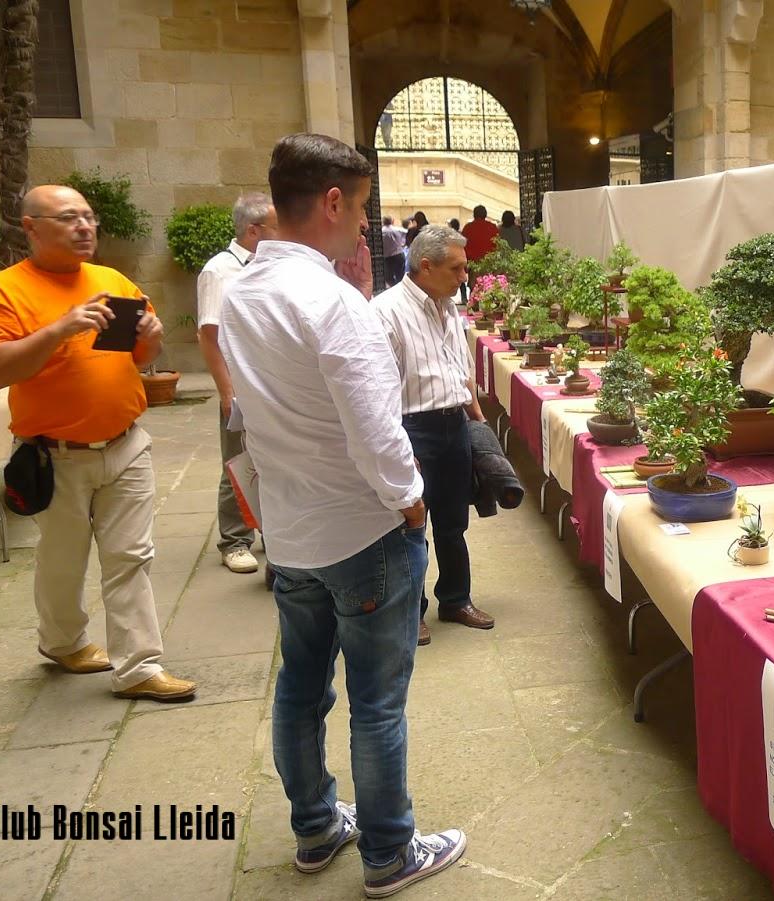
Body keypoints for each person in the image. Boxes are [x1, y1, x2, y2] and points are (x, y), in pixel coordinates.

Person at [220, 133, 466, 897]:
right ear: (331, 202)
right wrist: (411, 501)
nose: (364, 225)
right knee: (377, 701)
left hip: (292, 529)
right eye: (359, 209)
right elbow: (376, 430)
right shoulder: (333, 303)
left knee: (300, 686)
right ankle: (390, 851)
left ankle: (317, 825)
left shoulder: (241, 292)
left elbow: (255, 410)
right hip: (362, 531)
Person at [0, 185, 198, 703]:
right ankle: (63, 642)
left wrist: (151, 339)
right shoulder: (2, 291)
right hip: (53, 455)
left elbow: (137, 358)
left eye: (89, 217)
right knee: (63, 559)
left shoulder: (111, 281)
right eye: (69, 218)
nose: (85, 227)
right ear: (31, 227)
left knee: (131, 556)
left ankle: (138, 667)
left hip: (126, 444)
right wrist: (60, 329)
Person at [372, 225, 493, 647]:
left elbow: (460, 368)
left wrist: (477, 420)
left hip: (453, 425)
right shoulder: (385, 311)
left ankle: (456, 599)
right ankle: (412, 611)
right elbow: (379, 388)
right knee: (411, 525)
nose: (464, 277)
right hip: (412, 428)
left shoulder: (449, 307)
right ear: (426, 266)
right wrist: (397, 445)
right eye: (456, 268)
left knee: (453, 521)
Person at [197, 192, 276, 575]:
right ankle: (234, 540)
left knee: (271, 460)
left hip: (270, 381)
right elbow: (208, 336)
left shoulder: (269, 267)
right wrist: (226, 390)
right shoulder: (220, 270)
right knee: (238, 461)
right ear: (253, 230)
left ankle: (270, 532)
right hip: (240, 384)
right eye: (276, 226)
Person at [380, 216, 407, 290]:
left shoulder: (381, 232)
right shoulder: (398, 230)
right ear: (392, 221)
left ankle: (395, 288)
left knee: (388, 277)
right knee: (400, 276)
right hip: (399, 255)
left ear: (383, 222)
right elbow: (408, 232)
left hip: (388, 257)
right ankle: (401, 289)